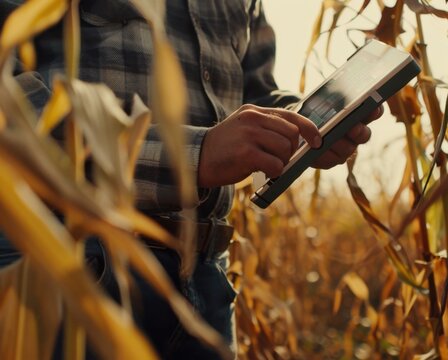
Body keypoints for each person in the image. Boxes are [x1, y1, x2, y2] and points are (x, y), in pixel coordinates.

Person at [0, 0, 380, 358]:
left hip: (205, 277)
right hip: (68, 259)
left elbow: (256, 90)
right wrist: (194, 155)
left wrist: (307, 127)